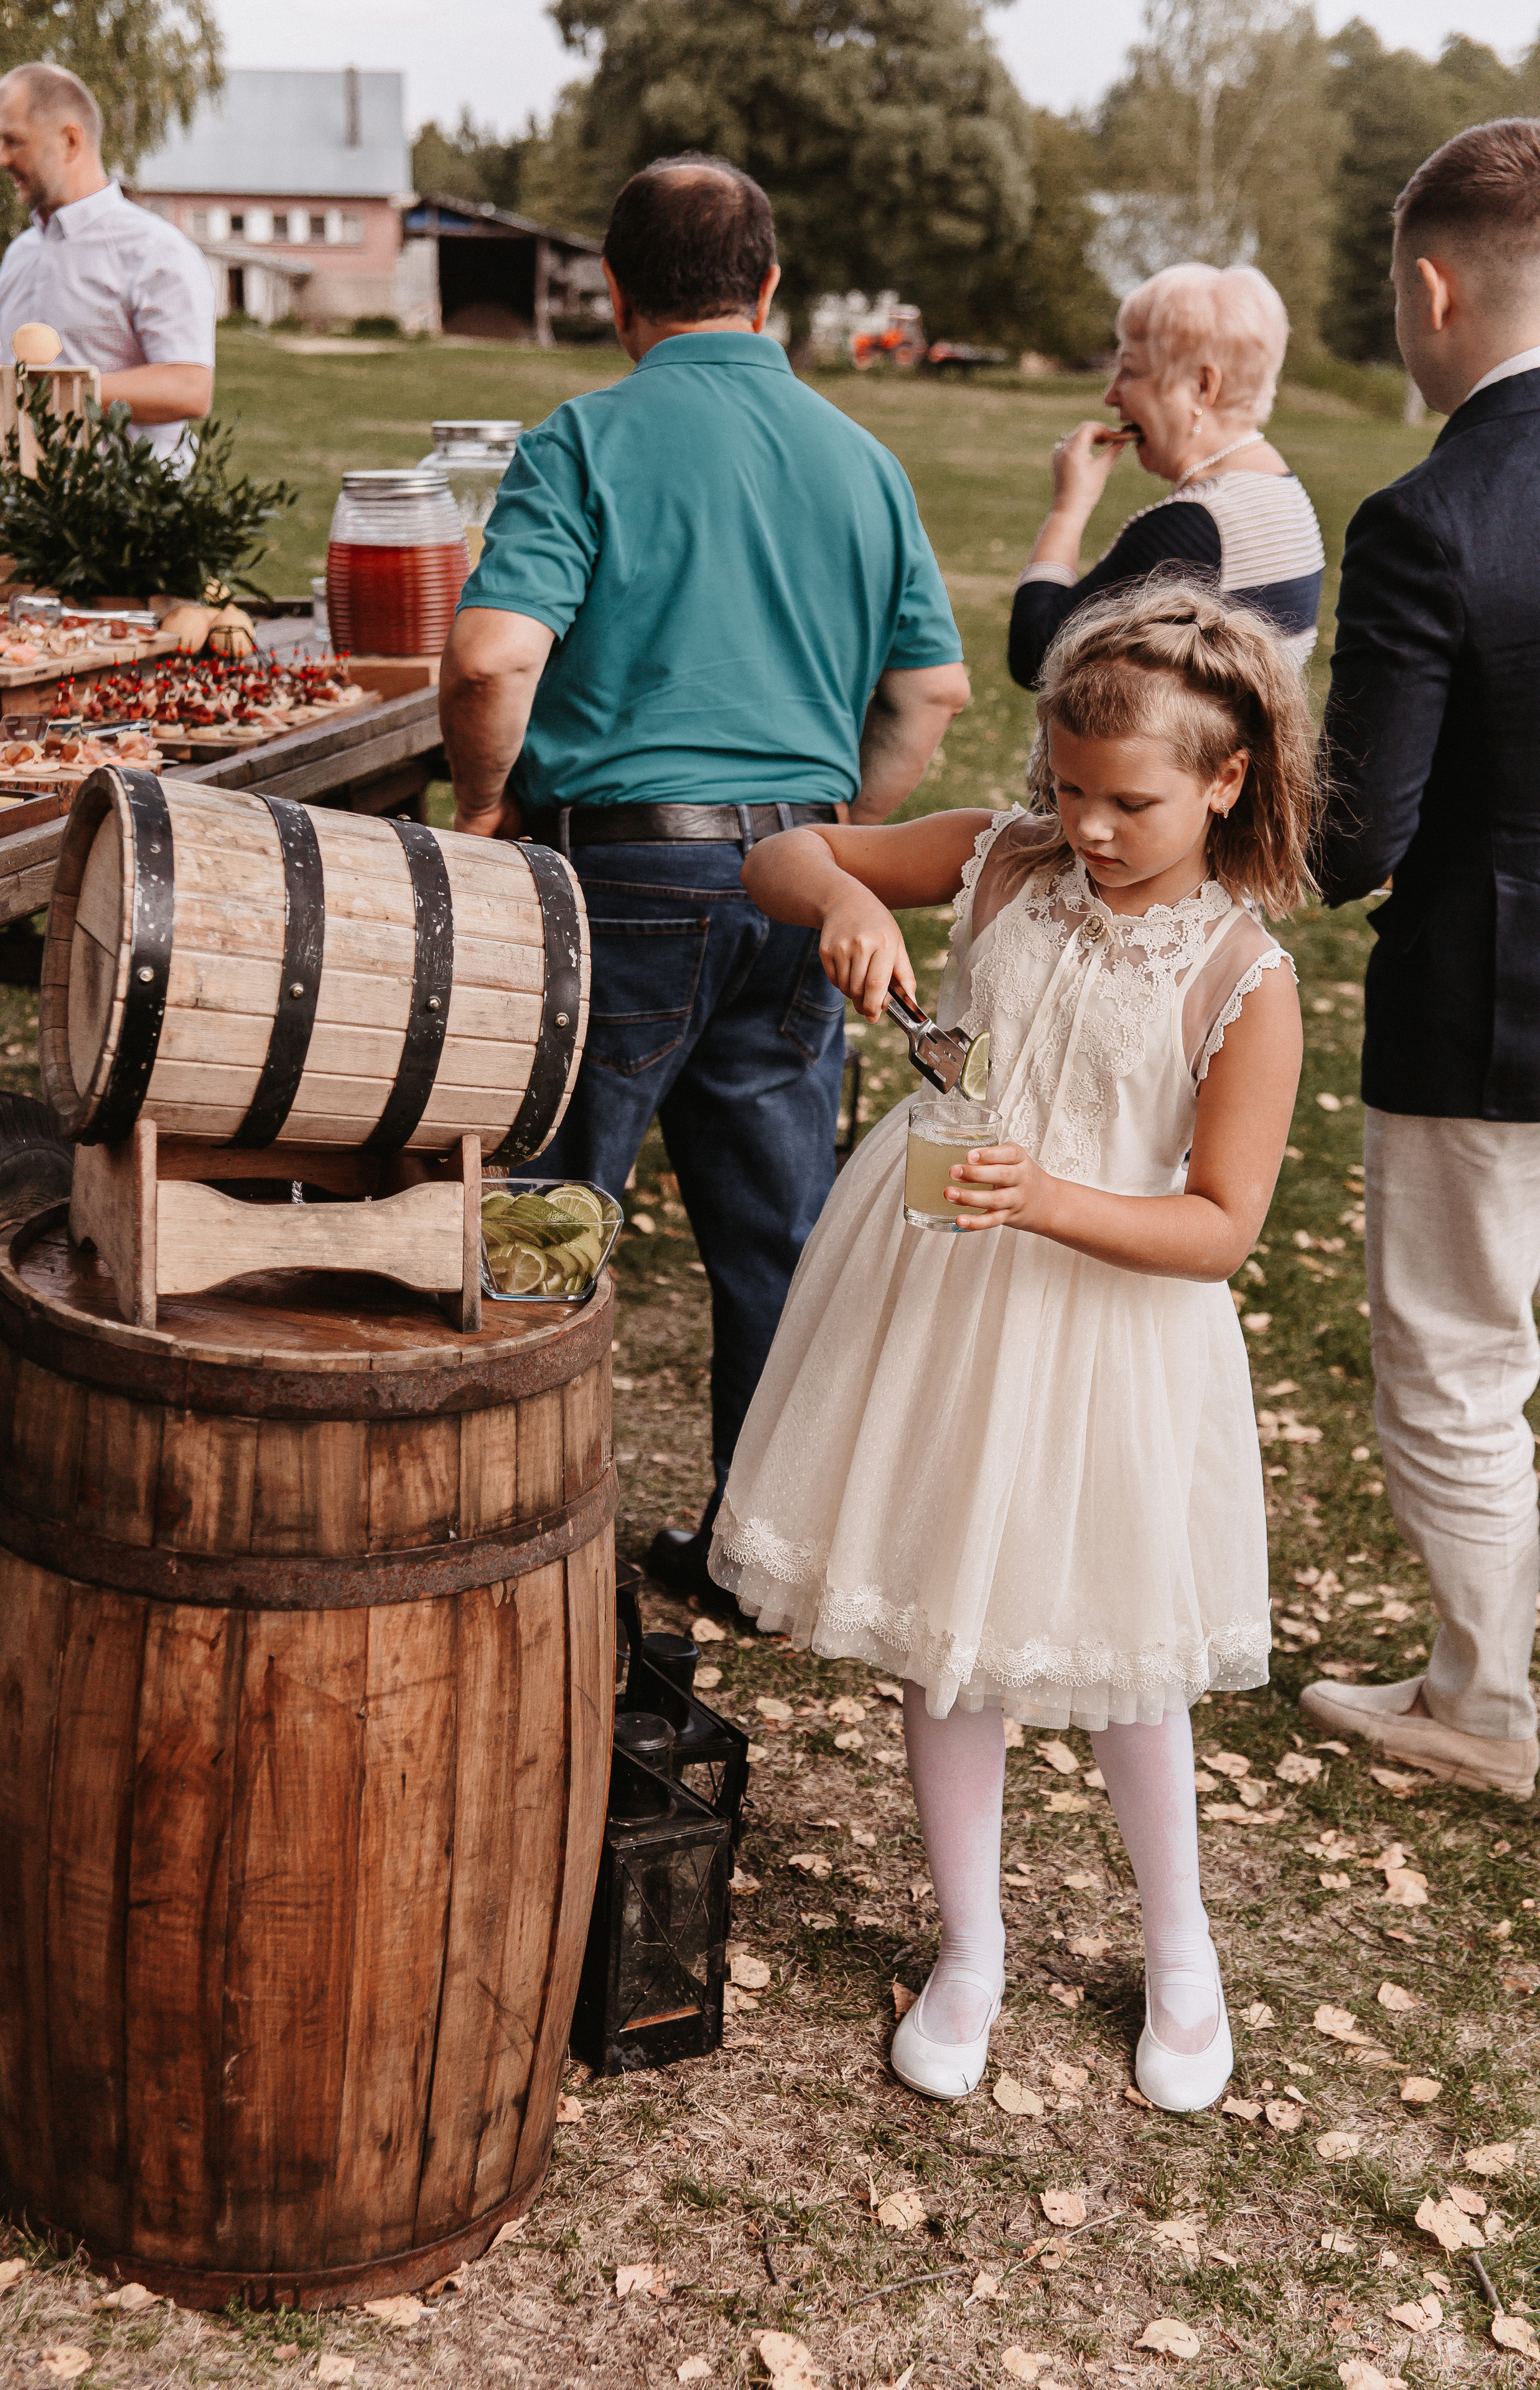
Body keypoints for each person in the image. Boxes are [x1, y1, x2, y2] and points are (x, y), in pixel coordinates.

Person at [712, 582, 1315, 2107]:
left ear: (1224, 780)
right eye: (1066, 786)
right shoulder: (1001, 861)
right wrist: (843, 895)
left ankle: (1179, 1952)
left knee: (1122, 1653)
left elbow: (1221, 1224)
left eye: (1129, 801)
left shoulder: (1237, 976)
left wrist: (1048, 1195)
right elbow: (783, 853)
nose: (1089, 826)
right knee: (941, 1611)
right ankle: (969, 1944)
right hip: (935, 1295)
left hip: (1103, 1327)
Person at [440, 156, 968, 1610]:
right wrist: (834, 838)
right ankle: (750, 1557)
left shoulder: (585, 437)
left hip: (616, 876)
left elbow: (491, 653)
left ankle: (500, 1545)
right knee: (772, 1243)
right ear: (771, 290)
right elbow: (926, 691)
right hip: (794, 887)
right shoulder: (861, 458)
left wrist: (484, 795)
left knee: (546, 1214)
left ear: (610, 294)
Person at [1305, 118, 1540, 1804]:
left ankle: (1485, 1703)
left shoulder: (1430, 514)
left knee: (1459, 1353)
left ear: (1436, 287)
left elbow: (1355, 836)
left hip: (1488, 1008)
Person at [1009, 264, 1323, 690]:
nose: (1111, 394)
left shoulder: (1189, 529)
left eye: (1131, 370)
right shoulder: (1287, 494)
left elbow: (1035, 655)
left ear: (1201, 386)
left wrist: (1068, 510)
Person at [0, 64, 213, 461]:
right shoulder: (18, 255)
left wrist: (49, 393)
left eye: (13, 141)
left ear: (70, 141)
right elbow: (14, 396)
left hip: (132, 512)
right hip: (24, 515)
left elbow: (189, 389)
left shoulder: (155, 250)